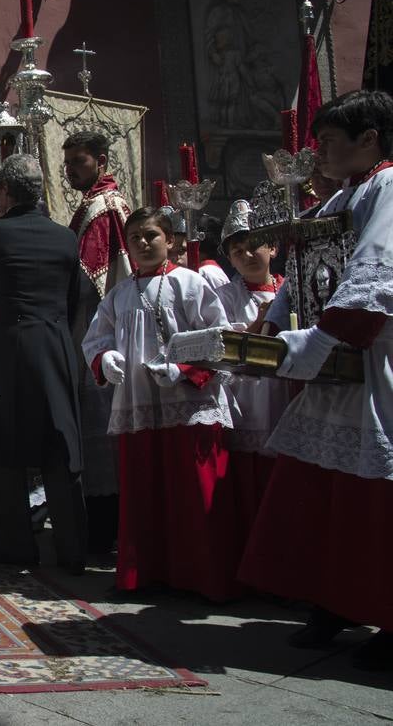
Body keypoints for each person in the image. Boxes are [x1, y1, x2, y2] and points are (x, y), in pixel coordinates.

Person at [239, 90, 393, 670]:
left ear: (370, 139)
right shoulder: (344, 195)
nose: (317, 150)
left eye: (328, 140)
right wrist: (271, 325)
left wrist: (321, 340)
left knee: (374, 496)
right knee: (327, 490)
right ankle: (333, 602)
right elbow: (300, 270)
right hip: (338, 366)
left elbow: (375, 277)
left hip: (375, 360)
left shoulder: (389, 187)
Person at [82, 206, 241, 601]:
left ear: (170, 240)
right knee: (145, 495)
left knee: (194, 495)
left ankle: (204, 578)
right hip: (139, 405)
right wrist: (106, 359)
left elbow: (219, 337)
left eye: (151, 235)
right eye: (135, 237)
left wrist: (185, 370)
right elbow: (95, 339)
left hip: (189, 404)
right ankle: (144, 575)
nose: (143, 243)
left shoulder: (190, 284)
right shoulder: (118, 294)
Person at [0, 154, 87, 574]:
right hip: (54, 344)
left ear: (7, 192)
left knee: (7, 447)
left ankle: (17, 544)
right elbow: (74, 300)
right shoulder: (65, 238)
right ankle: (71, 548)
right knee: (59, 446)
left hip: (9, 348)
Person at [62, 131, 133, 553]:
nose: (71, 170)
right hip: (99, 327)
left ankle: (106, 526)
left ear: (102, 161)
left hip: (95, 327)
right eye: (68, 163)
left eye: (79, 162)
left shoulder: (103, 207)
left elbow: (90, 278)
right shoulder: (99, 203)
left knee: (100, 428)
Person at [213, 201, 287, 533]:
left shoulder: (289, 288)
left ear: (272, 247)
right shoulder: (223, 295)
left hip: (284, 392)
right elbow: (220, 342)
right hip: (246, 398)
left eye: (253, 246)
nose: (246, 256)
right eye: (237, 251)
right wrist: (259, 324)